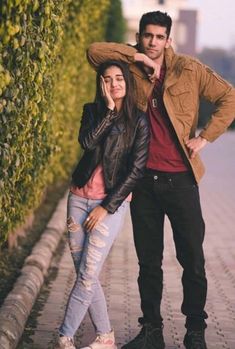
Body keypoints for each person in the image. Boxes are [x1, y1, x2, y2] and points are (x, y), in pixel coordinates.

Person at [86, 11, 235, 349]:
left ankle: (195, 332)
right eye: (147, 36)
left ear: (169, 39)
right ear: (140, 36)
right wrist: (136, 56)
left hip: (181, 181)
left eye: (158, 37)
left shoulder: (190, 70)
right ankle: (152, 331)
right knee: (148, 263)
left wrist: (205, 138)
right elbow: (94, 52)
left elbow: (230, 97)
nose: (153, 42)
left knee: (193, 261)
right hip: (143, 183)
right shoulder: (131, 66)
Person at [54, 59, 149, 349]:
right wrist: (108, 112)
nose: (114, 84)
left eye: (119, 78)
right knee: (87, 273)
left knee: (86, 275)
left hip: (108, 205)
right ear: (101, 84)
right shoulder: (92, 111)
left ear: (127, 82)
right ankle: (106, 336)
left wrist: (106, 206)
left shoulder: (140, 121)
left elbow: (136, 171)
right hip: (77, 198)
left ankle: (64, 336)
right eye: (107, 79)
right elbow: (87, 142)